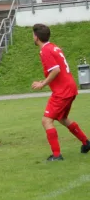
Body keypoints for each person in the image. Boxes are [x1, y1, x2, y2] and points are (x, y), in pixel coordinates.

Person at [30, 24, 90, 161]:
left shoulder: (45, 50)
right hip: (70, 88)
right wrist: (46, 80)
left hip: (62, 91)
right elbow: (57, 69)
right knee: (62, 118)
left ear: (37, 37)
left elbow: (56, 70)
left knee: (46, 121)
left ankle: (57, 155)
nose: (33, 37)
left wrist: (43, 83)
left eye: (33, 35)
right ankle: (86, 143)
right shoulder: (54, 47)